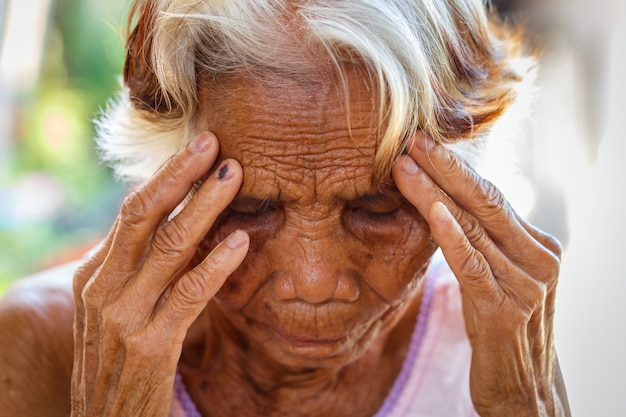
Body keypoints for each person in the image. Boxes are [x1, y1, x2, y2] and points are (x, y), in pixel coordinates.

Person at [0, 0, 571, 416]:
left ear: (462, 181)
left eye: (377, 206)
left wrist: (526, 406)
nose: (315, 282)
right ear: (166, 182)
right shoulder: (44, 347)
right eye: (247, 209)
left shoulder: (498, 339)